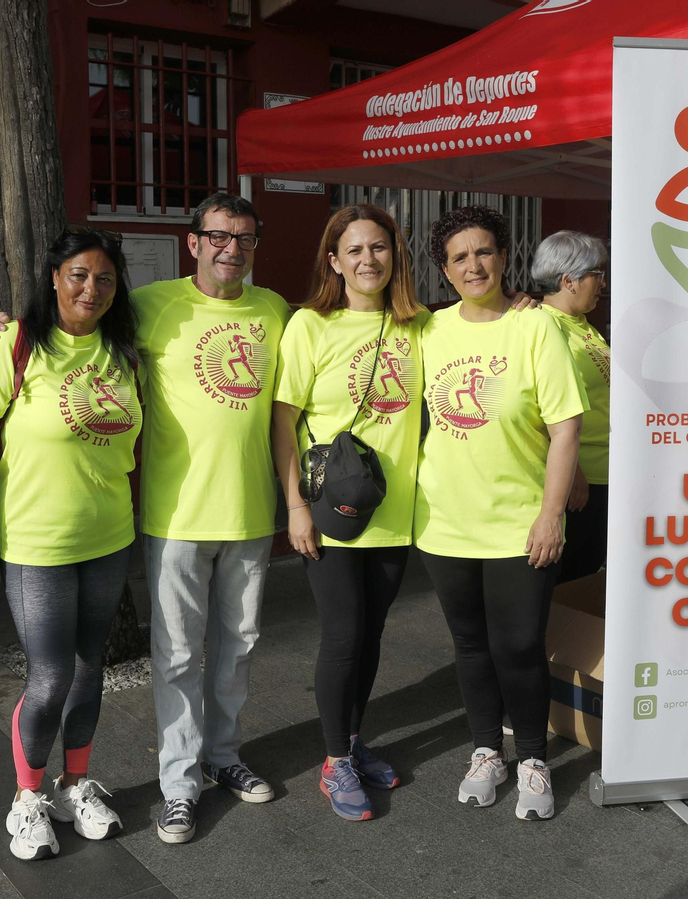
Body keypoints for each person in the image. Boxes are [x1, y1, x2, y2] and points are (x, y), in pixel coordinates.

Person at [0, 193, 290, 844]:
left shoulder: (275, 311)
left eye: (245, 238)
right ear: (193, 243)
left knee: (239, 646)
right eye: (219, 236)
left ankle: (223, 756)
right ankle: (178, 785)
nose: (232, 248)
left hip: (252, 511)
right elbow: (68, 321)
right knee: (174, 656)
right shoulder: (148, 305)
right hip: (174, 514)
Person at [0, 227, 140, 860]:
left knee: (92, 669)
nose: (92, 288)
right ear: (54, 279)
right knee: (51, 675)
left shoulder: (124, 351)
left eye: (105, 278)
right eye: (79, 275)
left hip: (109, 537)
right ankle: (26, 797)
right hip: (37, 544)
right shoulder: (12, 346)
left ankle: (76, 783)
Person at [414, 205, 584, 820]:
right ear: (444, 268)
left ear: (504, 256)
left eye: (484, 251)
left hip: (519, 522)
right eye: (459, 257)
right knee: (470, 646)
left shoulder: (536, 328)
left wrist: (551, 513)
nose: (473, 264)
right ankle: (487, 749)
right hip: (443, 522)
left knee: (519, 644)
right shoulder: (430, 332)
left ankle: (534, 757)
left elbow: (566, 427)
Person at [271, 204, 427, 822]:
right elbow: (283, 422)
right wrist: (294, 508)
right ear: (334, 262)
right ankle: (334, 761)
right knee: (342, 637)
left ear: (396, 256)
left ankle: (355, 743)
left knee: (372, 636)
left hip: (395, 514)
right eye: (354, 250)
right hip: (331, 513)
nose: (368, 260)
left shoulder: (419, 327)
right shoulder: (311, 326)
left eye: (379, 248)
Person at [531, 230, 610, 584]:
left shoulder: (582, 326)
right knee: (572, 582)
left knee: (589, 574)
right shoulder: (546, 326)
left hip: (605, 474)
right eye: (597, 274)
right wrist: (574, 471)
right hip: (582, 479)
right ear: (570, 280)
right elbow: (541, 409)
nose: (603, 283)